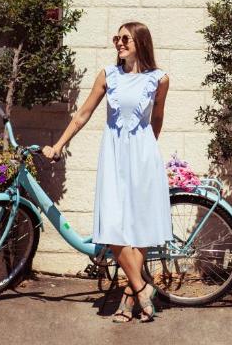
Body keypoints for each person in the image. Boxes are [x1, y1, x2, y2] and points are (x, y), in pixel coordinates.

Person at [42, 21, 172, 323]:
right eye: (116, 38)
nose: (119, 42)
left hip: (142, 156)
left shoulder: (159, 79)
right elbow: (83, 113)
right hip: (113, 155)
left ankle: (128, 300)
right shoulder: (108, 75)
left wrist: (147, 151)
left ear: (140, 42)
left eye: (125, 38)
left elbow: (158, 118)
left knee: (139, 227)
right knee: (112, 224)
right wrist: (59, 144)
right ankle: (141, 287)